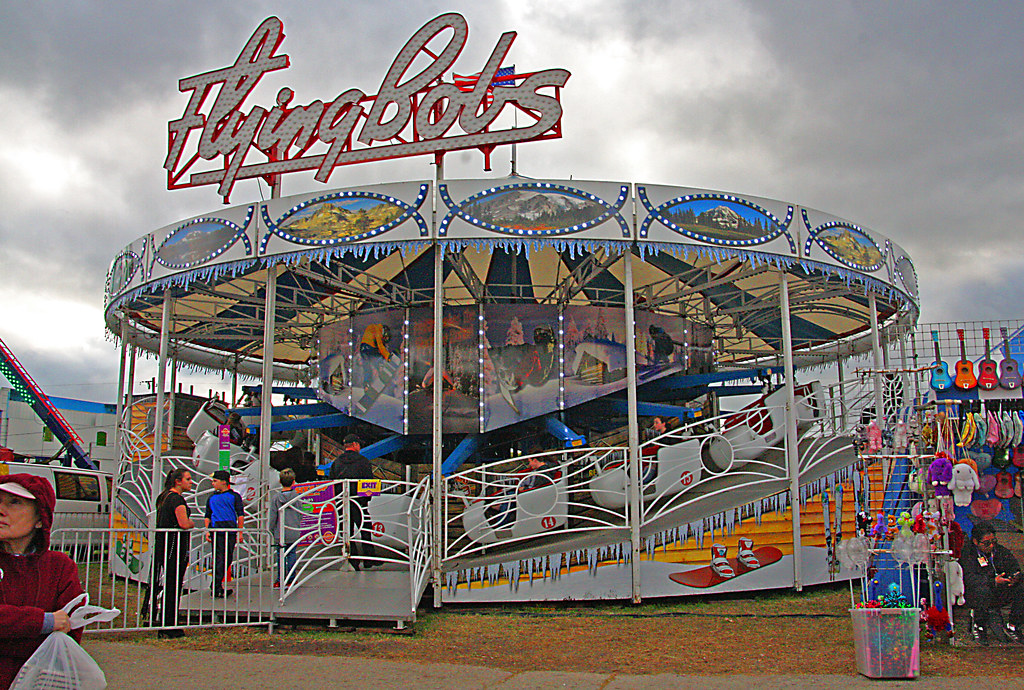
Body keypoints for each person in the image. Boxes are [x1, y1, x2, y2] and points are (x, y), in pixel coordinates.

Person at [0, 474, 85, 689]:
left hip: (40, 681)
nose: (1, 509)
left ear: (41, 518)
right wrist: (44, 622)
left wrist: (12, 632)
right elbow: (55, 626)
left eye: (15, 502)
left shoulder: (60, 567)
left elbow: (69, 633)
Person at [959, 522, 1024, 645]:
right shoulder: (968, 555)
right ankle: (979, 626)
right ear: (975, 542)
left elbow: (1014, 567)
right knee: (981, 589)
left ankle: (1013, 625)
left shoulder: (1000, 551)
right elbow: (969, 579)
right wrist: (992, 581)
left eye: (994, 541)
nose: (991, 545)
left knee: (1021, 586)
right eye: (987, 543)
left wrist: (1014, 577)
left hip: (1000, 590)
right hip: (978, 594)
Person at [153, 468, 194, 639]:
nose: (191, 482)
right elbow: (183, 523)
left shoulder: (163, 497)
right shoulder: (177, 499)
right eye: (188, 479)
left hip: (164, 545)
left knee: (169, 584)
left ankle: (164, 620)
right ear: (178, 481)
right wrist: (191, 523)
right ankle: (170, 623)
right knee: (174, 585)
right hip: (175, 546)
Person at [329, 434, 377, 569]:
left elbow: (332, 482)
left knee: (347, 531)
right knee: (365, 528)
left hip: (343, 503)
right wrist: (365, 499)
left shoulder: (336, 462)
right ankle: (369, 559)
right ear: (355, 445)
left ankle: (352, 559)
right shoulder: (363, 461)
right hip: (359, 502)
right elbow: (369, 482)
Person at [205, 470, 244, 598]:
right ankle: (216, 585)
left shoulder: (234, 496)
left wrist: (240, 531)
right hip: (217, 529)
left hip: (229, 529)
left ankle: (216, 584)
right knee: (219, 557)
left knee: (226, 557)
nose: (213, 484)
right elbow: (208, 515)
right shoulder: (212, 497)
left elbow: (240, 514)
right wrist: (207, 530)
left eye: (215, 481)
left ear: (224, 482)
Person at [268, 469, 302, 587]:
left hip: (280, 531)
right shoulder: (297, 497)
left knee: (280, 555)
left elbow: (273, 516)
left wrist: (271, 530)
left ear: (280, 481)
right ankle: (291, 578)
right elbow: (300, 513)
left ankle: (280, 579)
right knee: (292, 553)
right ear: (293, 482)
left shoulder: (275, 498)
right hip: (293, 530)